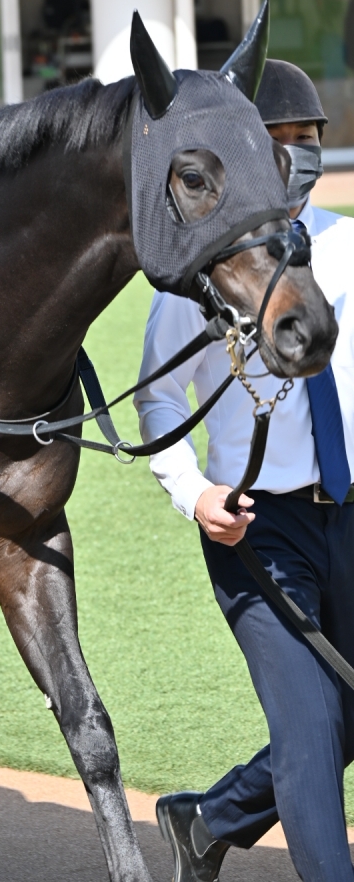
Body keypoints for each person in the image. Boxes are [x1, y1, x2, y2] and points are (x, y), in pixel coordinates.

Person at [134, 60, 354, 882]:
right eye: (281, 142)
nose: (299, 155)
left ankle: (208, 819)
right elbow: (156, 406)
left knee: (347, 715)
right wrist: (194, 495)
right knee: (311, 731)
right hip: (257, 529)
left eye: (311, 142)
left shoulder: (349, 242)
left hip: (352, 515)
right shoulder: (200, 279)